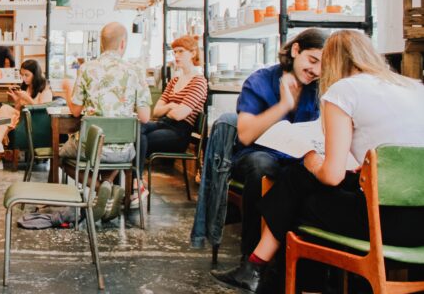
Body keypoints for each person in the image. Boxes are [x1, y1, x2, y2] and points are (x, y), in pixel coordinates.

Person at [216, 30, 424, 293]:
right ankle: (260, 269)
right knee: (299, 181)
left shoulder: (343, 90)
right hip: (419, 223)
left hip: (385, 225)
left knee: (299, 188)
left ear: (333, 62)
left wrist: (310, 158)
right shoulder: (414, 86)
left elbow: (332, 175)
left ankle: (267, 274)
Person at [211, 28, 327, 286]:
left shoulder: (319, 87)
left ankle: (304, 268)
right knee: (263, 166)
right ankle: (250, 265)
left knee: (316, 174)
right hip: (255, 155)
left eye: (323, 65)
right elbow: (245, 134)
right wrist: (283, 106)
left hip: (299, 159)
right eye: (312, 60)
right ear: (296, 50)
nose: (316, 71)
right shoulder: (261, 81)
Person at [60, 22, 152, 203]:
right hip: (125, 151)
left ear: (101, 44)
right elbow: (145, 117)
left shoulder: (86, 68)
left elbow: (76, 111)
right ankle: (108, 186)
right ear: (123, 44)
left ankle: (100, 188)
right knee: (119, 149)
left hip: (91, 148)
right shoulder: (135, 71)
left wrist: (66, 90)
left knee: (61, 157)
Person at [138, 35, 207, 203]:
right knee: (135, 128)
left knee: (140, 138)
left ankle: (134, 183)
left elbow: (180, 115)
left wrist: (170, 108)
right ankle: (133, 182)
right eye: (174, 52)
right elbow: (156, 111)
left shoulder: (199, 82)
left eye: (180, 52)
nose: (176, 56)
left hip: (180, 133)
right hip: (164, 124)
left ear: (192, 53)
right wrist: (171, 106)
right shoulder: (174, 80)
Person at [0, 59, 53, 171]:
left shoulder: (45, 89)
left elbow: (43, 110)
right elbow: (18, 108)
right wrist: (17, 99)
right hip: (22, 118)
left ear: (36, 74)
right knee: (2, 114)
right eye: (22, 75)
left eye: (27, 75)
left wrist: (27, 98)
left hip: (34, 122)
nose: (23, 78)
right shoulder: (26, 87)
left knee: (2, 116)